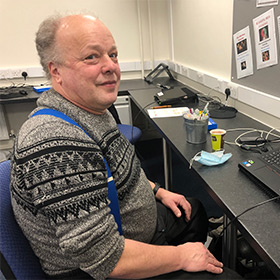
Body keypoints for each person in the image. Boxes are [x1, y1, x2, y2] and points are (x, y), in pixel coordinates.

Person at [10, 14, 241, 280]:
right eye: (91, 57)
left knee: (195, 211)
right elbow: (104, 259)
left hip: (130, 230)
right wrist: (182, 257)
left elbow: (114, 169)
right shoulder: (54, 143)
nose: (111, 66)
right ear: (56, 71)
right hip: (102, 268)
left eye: (113, 54)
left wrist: (157, 190)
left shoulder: (92, 110)